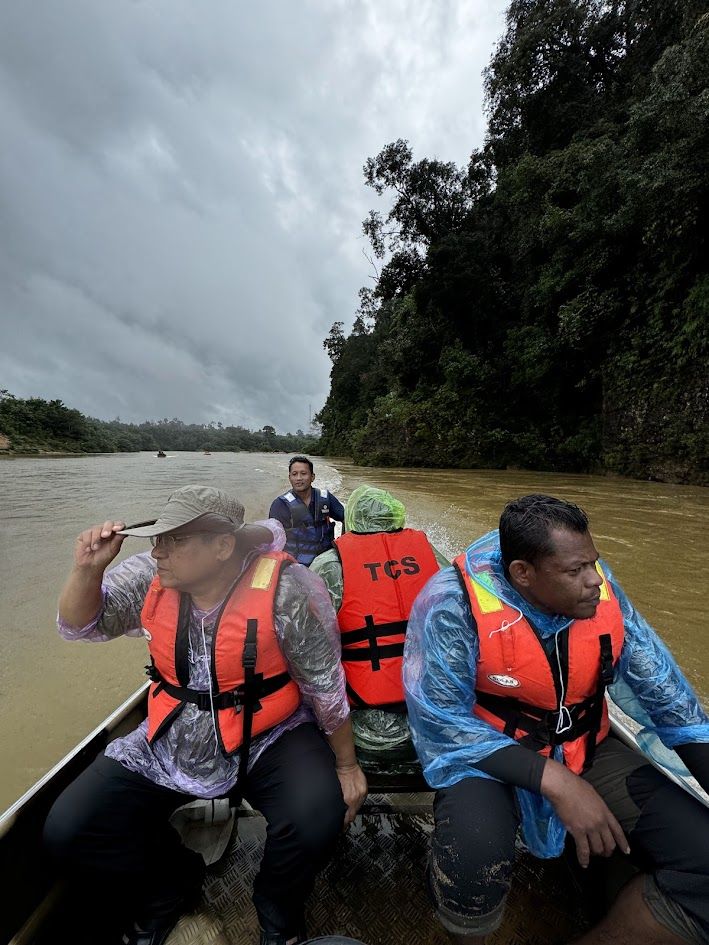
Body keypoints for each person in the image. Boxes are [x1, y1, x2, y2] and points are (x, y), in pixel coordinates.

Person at [44, 485, 367, 945]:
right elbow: (80, 624)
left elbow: (325, 684)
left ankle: (278, 913)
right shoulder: (152, 577)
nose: (158, 551)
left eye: (175, 540)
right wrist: (87, 569)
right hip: (173, 734)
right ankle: (170, 888)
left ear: (223, 546)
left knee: (318, 814)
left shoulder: (287, 590)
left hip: (268, 735)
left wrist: (347, 765)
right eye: (158, 539)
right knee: (70, 829)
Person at [404, 494, 709, 945]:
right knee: (473, 853)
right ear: (522, 573)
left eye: (593, 563)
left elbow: (669, 699)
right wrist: (557, 781)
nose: (595, 580)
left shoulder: (600, 590)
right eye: (576, 570)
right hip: (488, 757)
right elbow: (441, 720)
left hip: (585, 747)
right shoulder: (452, 603)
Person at [311, 485, 446, 762]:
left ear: (351, 519)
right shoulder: (432, 556)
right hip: (435, 718)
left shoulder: (329, 565)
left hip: (364, 727)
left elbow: (312, 652)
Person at [268, 457, 344, 566]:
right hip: (295, 565)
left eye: (303, 473)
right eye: (294, 474)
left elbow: (346, 519)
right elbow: (272, 539)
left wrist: (343, 545)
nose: (298, 478)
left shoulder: (326, 499)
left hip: (326, 562)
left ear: (312, 477)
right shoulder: (280, 505)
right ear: (289, 478)